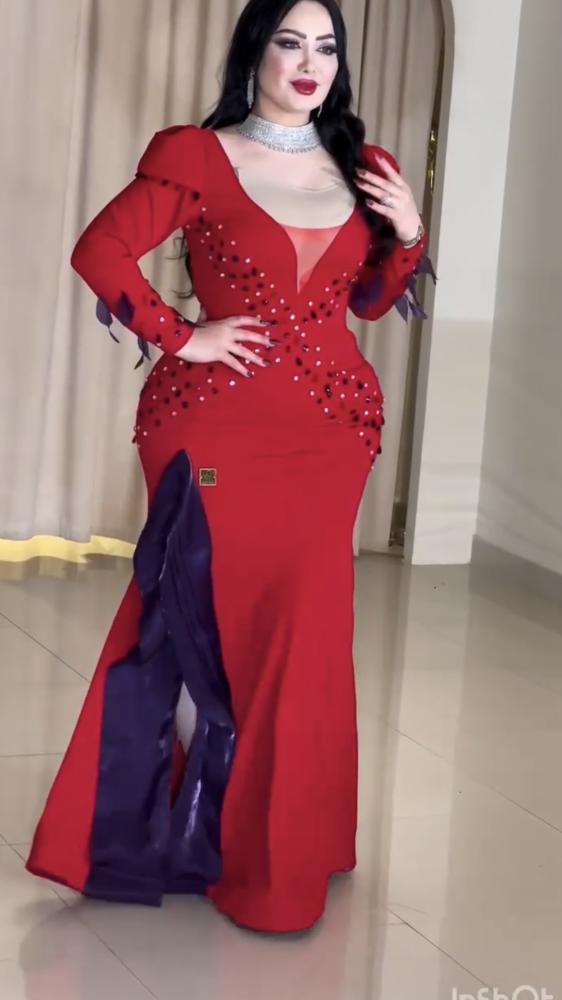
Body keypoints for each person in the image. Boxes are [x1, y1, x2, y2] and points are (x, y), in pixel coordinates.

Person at [26, 0, 435, 933]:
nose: (310, 63)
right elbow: (100, 251)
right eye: (289, 42)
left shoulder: (365, 168)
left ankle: (284, 849)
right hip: (211, 425)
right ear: (255, 52)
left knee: (305, 633)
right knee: (202, 623)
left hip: (329, 430)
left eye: (326, 46)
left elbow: (370, 302)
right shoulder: (199, 156)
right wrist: (181, 335)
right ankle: (187, 835)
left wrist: (408, 235)